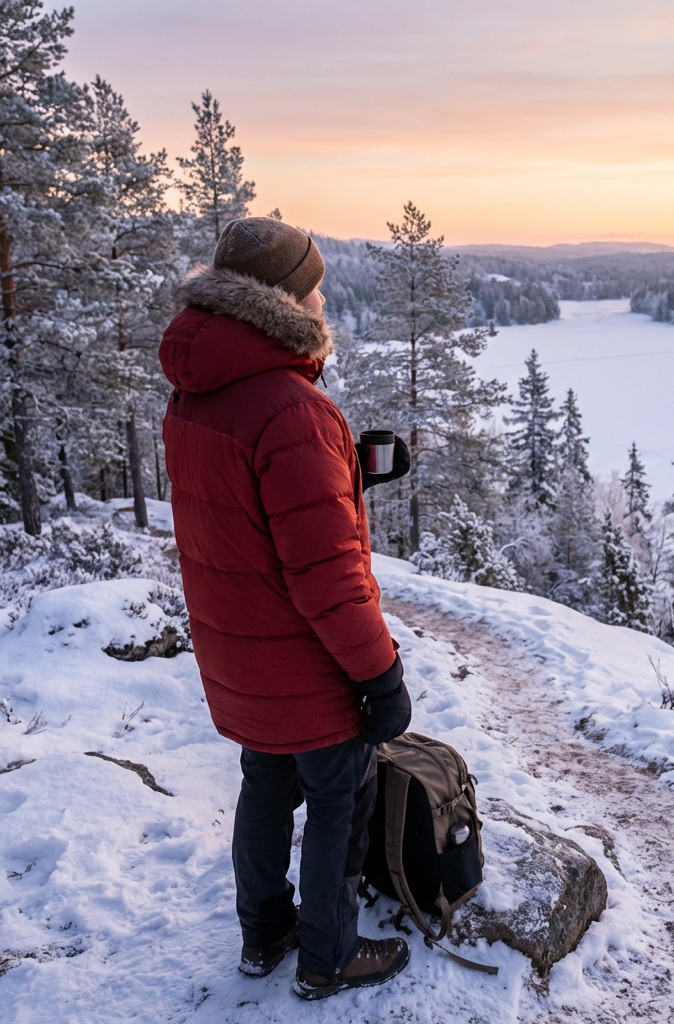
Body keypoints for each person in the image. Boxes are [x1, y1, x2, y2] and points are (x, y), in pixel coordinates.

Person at [160, 217, 412, 1000]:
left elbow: (248, 523)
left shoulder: (196, 394)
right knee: (341, 797)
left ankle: (263, 932)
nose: (323, 297)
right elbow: (327, 579)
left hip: (240, 658)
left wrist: (341, 482)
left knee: (265, 789)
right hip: (307, 664)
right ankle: (328, 955)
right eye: (316, 286)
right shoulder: (294, 411)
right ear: (289, 299)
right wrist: (381, 675)